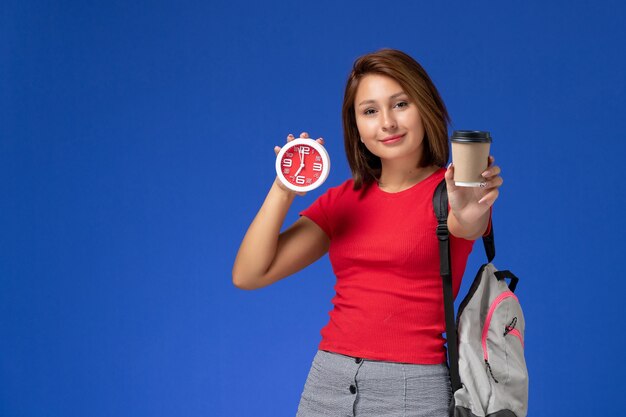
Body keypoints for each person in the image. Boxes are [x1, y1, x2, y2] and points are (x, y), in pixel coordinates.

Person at [232, 49, 503, 417]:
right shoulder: (343, 200)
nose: (387, 122)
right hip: (328, 382)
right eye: (370, 111)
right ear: (356, 128)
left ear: (425, 108)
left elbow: (467, 222)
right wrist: (283, 189)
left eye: (401, 104)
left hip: (412, 389)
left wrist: (472, 208)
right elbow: (249, 274)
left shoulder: (453, 194)